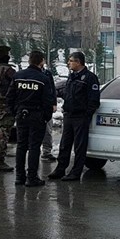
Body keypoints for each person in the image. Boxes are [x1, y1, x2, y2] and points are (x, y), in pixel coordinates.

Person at [6, 51, 56, 187]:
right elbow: (48, 101)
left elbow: (10, 97)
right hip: (36, 115)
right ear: (41, 61)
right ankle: (32, 177)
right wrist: (46, 117)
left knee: (21, 146)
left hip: (22, 114)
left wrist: (15, 112)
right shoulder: (42, 78)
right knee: (34, 147)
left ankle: (19, 177)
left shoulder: (18, 76)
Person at [49, 52, 100, 182]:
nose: (68, 63)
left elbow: (94, 101)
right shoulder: (72, 77)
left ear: (78, 62)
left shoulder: (89, 78)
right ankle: (60, 169)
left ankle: (76, 172)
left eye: (71, 61)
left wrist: (86, 115)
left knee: (79, 146)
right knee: (65, 144)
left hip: (80, 117)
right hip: (69, 115)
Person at [38, 57, 58, 162]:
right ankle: (35, 151)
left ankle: (46, 151)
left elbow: (52, 89)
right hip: (35, 108)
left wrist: (54, 103)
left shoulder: (47, 74)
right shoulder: (29, 74)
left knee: (47, 131)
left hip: (46, 106)